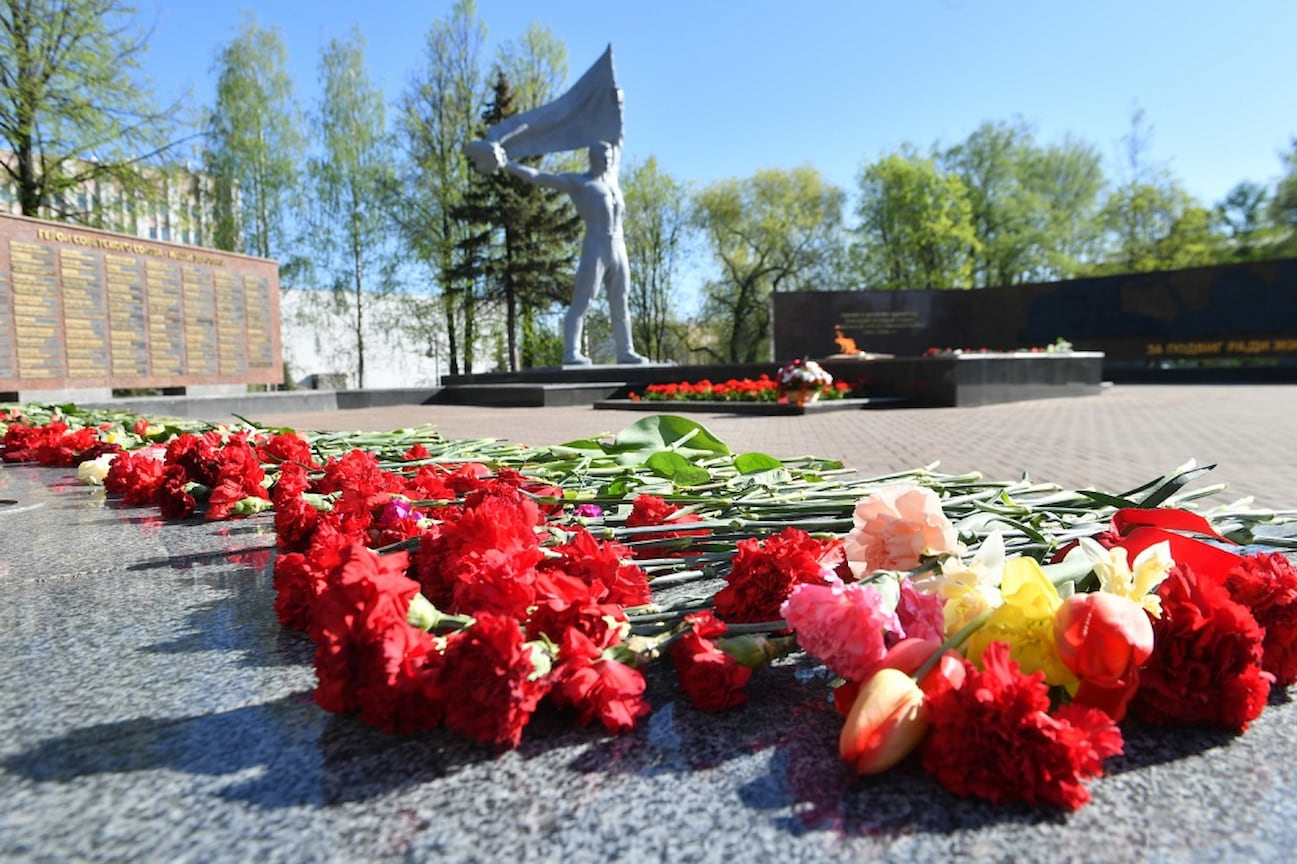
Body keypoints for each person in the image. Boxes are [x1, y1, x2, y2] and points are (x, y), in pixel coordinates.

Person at [492, 134, 648, 366]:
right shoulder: (580, 183)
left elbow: (619, 135)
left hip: (619, 245)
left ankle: (626, 351)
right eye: (602, 156)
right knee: (582, 300)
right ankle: (571, 352)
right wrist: (507, 164)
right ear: (592, 158)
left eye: (609, 156)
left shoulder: (612, 182)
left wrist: (616, 103)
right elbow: (539, 177)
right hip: (595, 244)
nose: (606, 160)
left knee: (621, 300)